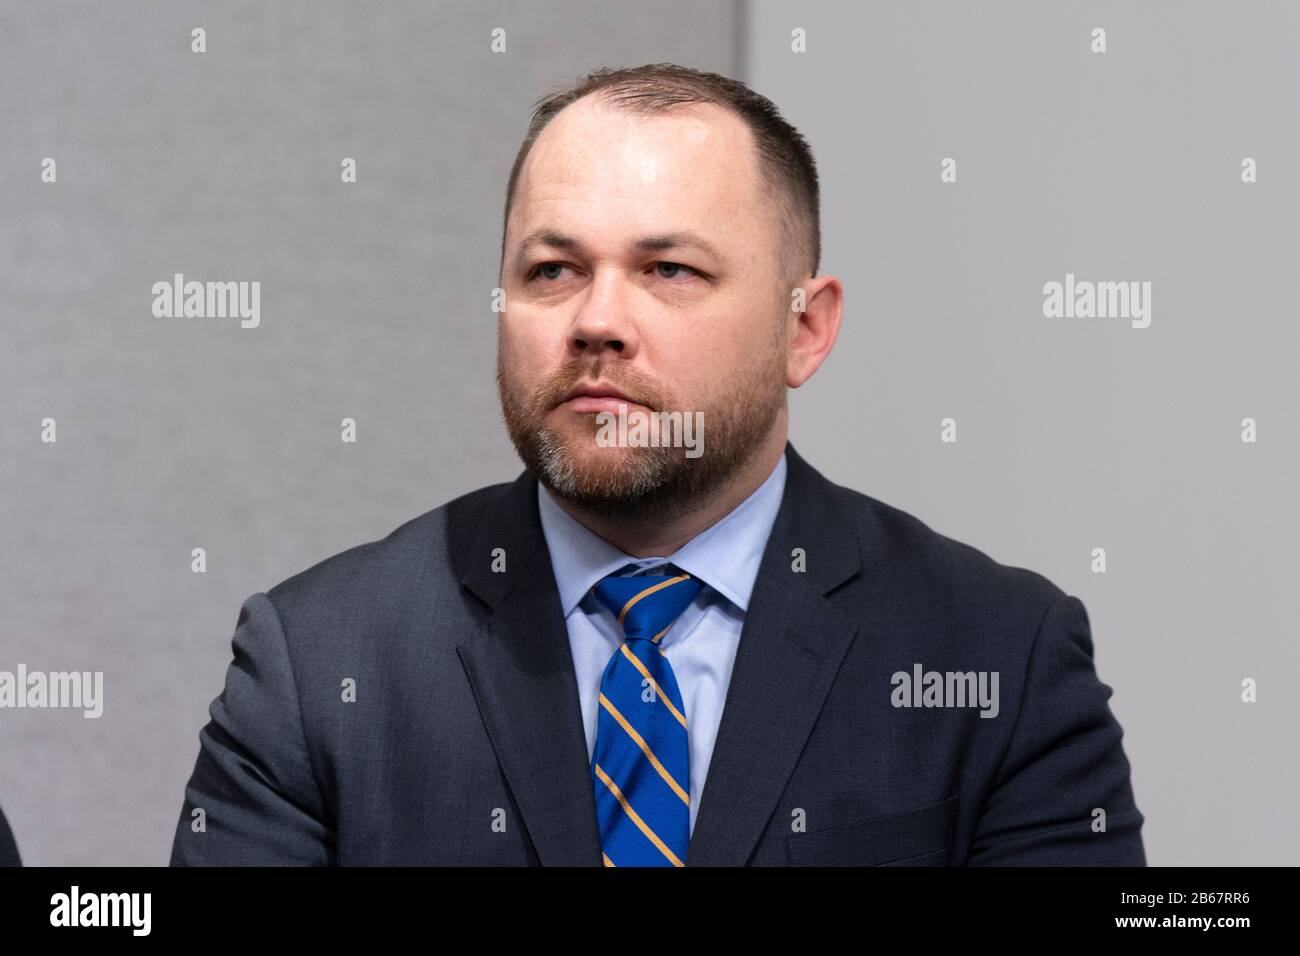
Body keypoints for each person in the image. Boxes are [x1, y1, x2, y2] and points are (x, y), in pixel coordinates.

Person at [170, 63, 1144, 866]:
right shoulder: (321, 663)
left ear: (803, 327)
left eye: (667, 270)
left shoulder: (997, 658)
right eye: (552, 271)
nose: (596, 320)